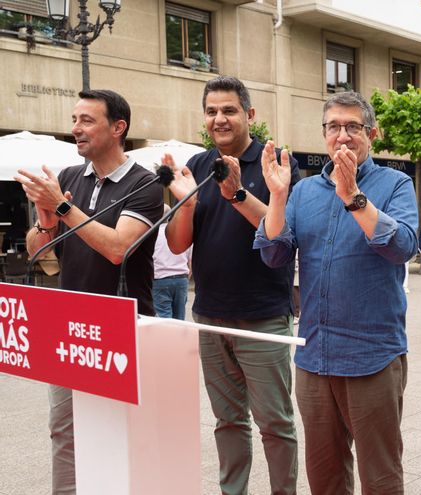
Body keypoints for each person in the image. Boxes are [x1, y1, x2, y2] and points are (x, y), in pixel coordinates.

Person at [256, 91, 418, 494]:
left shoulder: (396, 184)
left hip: (372, 356)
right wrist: (277, 198)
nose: (342, 136)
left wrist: (353, 197)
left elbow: (402, 247)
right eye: (333, 127)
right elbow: (274, 255)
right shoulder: (304, 192)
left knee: (380, 475)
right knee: (324, 474)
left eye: (353, 127)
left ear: (372, 133)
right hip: (314, 357)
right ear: (324, 134)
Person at [16, 89, 164, 494]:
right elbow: (44, 257)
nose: (75, 129)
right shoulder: (66, 179)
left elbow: (118, 248)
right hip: (68, 325)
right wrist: (46, 220)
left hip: (123, 326)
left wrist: (62, 209)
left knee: (119, 432)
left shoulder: (145, 186)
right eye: (74, 119)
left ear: (118, 128)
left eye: (86, 121)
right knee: (64, 431)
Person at [163, 76, 301, 495]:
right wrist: (185, 203)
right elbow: (176, 243)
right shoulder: (199, 166)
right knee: (227, 419)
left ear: (249, 115)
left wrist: (236, 192)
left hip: (263, 315)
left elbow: (284, 232)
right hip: (209, 313)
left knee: (275, 423)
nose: (219, 119)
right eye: (211, 111)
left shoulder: (273, 161)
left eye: (229, 110)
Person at [152, 204, 191, 319]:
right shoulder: (181, 233)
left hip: (160, 280)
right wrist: (186, 278)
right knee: (180, 318)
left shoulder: (152, 235)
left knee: (164, 319)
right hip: (181, 279)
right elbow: (190, 261)